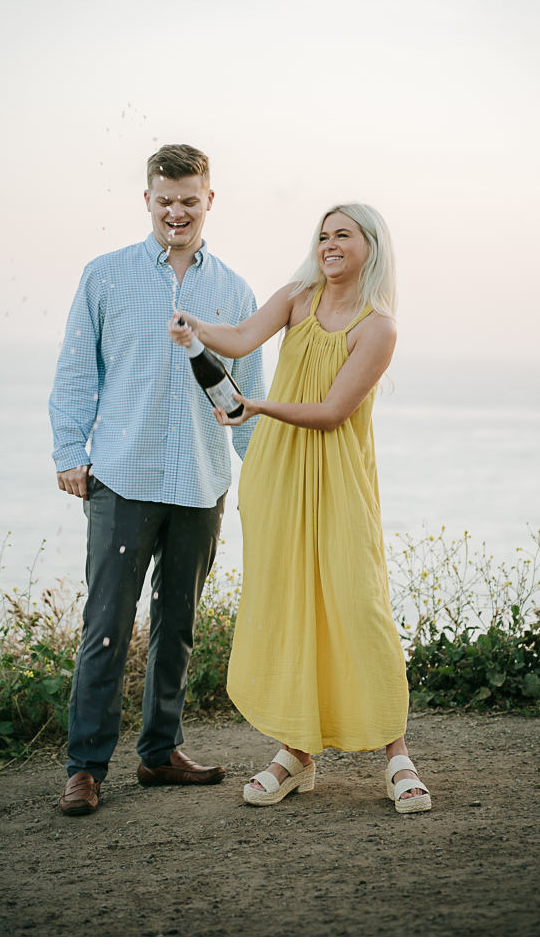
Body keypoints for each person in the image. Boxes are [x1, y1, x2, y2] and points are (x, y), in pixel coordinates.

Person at [169, 203, 431, 813]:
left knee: (357, 604)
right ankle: (295, 754)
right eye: (322, 234)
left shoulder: (378, 326)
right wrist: (198, 329)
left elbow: (333, 412)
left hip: (337, 477)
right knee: (289, 604)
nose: (328, 243)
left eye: (342, 234)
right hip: (277, 473)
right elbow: (239, 338)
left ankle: (397, 756)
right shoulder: (297, 296)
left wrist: (255, 407)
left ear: (372, 245)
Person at [49, 144, 264, 815]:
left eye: (189, 200)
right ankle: (85, 766)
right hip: (122, 478)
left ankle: (160, 751)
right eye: (165, 200)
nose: (177, 211)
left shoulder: (232, 290)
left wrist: (265, 470)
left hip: (202, 483)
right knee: (106, 625)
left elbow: (247, 388)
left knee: (178, 624)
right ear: (148, 200)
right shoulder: (105, 276)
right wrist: (68, 452)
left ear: (208, 201)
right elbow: (77, 371)